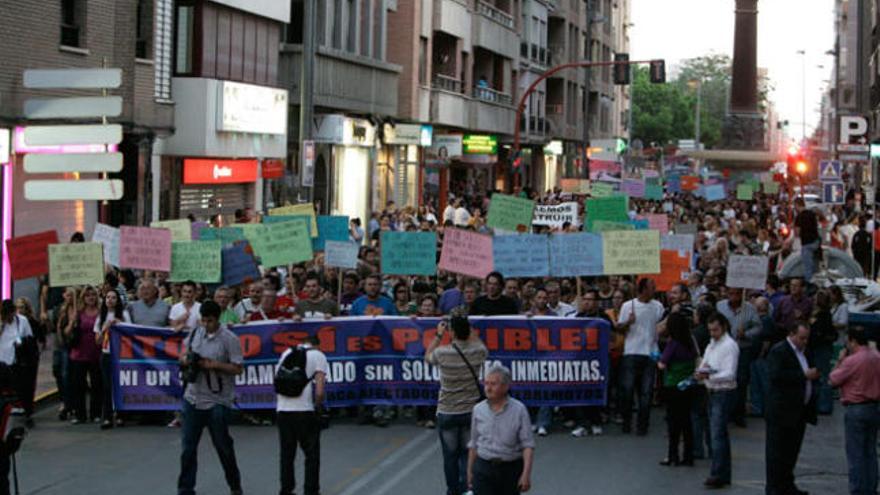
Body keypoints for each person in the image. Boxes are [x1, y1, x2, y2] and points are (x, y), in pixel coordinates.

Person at [177, 301, 244, 495]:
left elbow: (238, 368)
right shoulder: (195, 333)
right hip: (193, 398)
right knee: (188, 448)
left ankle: (234, 485)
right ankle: (185, 488)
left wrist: (214, 365)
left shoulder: (229, 339)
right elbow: (182, 353)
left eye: (210, 320)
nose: (206, 324)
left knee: (223, 447)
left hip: (217, 400)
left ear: (218, 318)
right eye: (203, 320)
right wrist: (187, 360)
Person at [425, 313, 488, 495]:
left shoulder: (442, 352)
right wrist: (470, 330)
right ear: (468, 331)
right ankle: (467, 488)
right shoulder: (478, 352)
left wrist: (438, 335)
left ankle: (453, 490)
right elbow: (482, 346)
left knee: (450, 455)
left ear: (451, 332)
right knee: (468, 453)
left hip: (448, 410)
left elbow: (428, 356)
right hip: (470, 411)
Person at [765, 323, 819, 495]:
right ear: (792, 334)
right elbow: (775, 376)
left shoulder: (806, 352)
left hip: (799, 411)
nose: (804, 342)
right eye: (801, 338)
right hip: (781, 410)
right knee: (777, 453)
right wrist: (803, 375)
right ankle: (774, 488)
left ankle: (787, 485)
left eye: (806, 338)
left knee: (791, 451)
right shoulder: (779, 351)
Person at [467, 365, 535, 495]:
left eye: (493, 384)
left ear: (505, 387)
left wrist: (526, 475)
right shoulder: (478, 410)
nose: (488, 388)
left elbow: (528, 445)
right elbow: (473, 443)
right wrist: (470, 472)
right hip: (483, 467)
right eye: (486, 383)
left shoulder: (519, 410)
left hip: (510, 469)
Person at [829, 328, 880, 495]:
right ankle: (871, 488)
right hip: (873, 406)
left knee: (856, 453)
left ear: (853, 341)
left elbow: (834, 379)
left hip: (856, 407)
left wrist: (839, 360)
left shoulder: (852, 360)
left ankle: (858, 490)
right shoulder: (876, 356)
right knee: (870, 451)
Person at [275, 336, 328, 495]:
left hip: (283, 410)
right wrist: (319, 408)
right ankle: (311, 490)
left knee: (287, 454)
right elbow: (319, 390)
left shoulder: (286, 353)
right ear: (317, 345)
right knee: (311, 454)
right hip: (304, 410)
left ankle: (286, 489)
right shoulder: (318, 356)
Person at [616, 278, 665, 435]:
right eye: (652, 287)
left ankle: (642, 425)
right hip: (631, 352)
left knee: (646, 392)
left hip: (650, 353)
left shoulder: (657, 306)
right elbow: (619, 328)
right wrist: (628, 323)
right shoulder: (627, 306)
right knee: (628, 390)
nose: (654, 290)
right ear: (643, 289)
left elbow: (661, 325)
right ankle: (626, 422)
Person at [697, 312, 739, 489]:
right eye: (710, 330)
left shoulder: (730, 346)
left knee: (717, 434)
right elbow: (704, 363)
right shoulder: (712, 344)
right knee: (718, 434)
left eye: (715, 330)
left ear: (724, 327)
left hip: (723, 392)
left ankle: (718, 473)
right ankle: (722, 472)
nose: (712, 333)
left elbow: (730, 373)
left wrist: (710, 375)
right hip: (711, 390)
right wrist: (702, 371)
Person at [716, 288, 761, 426]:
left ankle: (738, 414)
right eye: (731, 294)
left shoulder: (750, 309)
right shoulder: (720, 306)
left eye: (737, 294)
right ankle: (725, 411)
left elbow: (758, 327)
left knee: (741, 381)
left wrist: (746, 333)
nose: (733, 297)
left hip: (742, 349)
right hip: (724, 350)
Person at [657, 312, 698, 467]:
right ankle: (688, 455)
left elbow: (662, 363)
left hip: (673, 385)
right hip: (688, 385)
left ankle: (672, 454)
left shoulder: (673, 343)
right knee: (687, 421)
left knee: (673, 423)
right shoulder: (690, 341)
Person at [93, 290, 131, 429]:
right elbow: (97, 340)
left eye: (113, 298)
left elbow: (131, 333)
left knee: (120, 385)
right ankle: (107, 417)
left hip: (121, 355)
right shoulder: (101, 316)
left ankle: (121, 415)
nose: (110, 300)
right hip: (107, 353)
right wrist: (104, 329)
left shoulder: (124, 314)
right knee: (107, 386)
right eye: (108, 297)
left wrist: (120, 324)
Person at [66, 286, 102, 425]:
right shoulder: (78, 313)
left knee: (96, 385)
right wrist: (72, 321)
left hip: (96, 353)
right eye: (87, 295)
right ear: (83, 298)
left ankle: (96, 413)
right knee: (79, 385)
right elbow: (67, 332)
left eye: (93, 295)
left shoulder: (100, 312)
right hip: (79, 354)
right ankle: (80, 414)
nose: (91, 298)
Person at [809, 290, 838, 415]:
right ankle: (821, 404)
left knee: (823, 377)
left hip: (820, 348)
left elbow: (821, 333)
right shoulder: (822, 314)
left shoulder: (823, 315)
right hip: (820, 348)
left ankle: (824, 405)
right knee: (821, 377)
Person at [793, 197, 820, 283]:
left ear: (797, 205)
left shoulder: (799, 217)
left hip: (807, 244)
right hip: (816, 242)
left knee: (807, 268)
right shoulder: (811, 214)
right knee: (815, 264)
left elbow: (797, 233)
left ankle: (810, 284)